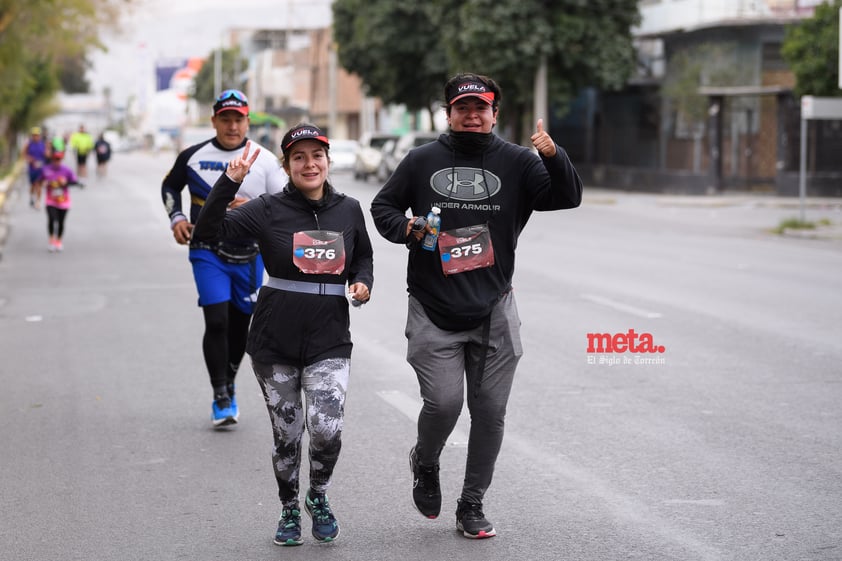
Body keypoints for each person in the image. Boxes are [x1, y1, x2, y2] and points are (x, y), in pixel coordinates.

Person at [370, 73, 583, 539]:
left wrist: (552, 155)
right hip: (433, 307)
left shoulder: (519, 163)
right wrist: (407, 230)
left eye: (480, 108)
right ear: (448, 113)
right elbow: (382, 208)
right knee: (444, 404)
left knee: (489, 412)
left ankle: (472, 503)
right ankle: (425, 461)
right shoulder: (421, 160)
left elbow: (568, 197)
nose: (472, 115)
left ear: (494, 114)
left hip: (494, 309)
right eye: (462, 108)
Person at [192, 124, 374, 545]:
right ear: (287, 165)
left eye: (317, 156)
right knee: (287, 436)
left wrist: (363, 283)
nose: (309, 164)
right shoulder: (267, 208)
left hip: (330, 339)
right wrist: (230, 180)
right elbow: (207, 231)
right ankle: (290, 507)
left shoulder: (348, 209)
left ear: (327, 161)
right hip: (275, 342)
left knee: (327, 429)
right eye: (299, 157)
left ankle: (319, 495)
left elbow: (362, 255)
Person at [160, 89, 286, 428]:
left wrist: (258, 209)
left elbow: (287, 204)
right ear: (214, 120)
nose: (232, 126)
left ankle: (229, 379)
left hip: (250, 256)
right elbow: (170, 187)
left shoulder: (266, 160)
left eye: (238, 119)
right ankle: (221, 395)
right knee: (216, 320)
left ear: (247, 121)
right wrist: (177, 218)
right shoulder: (193, 156)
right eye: (225, 119)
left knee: (240, 327)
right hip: (206, 249)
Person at [36, 148, 83, 252]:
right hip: (51, 200)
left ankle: (58, 241)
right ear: (52, 159)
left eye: (59, 159)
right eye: (55, 159)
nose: (57, 161)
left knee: (61, 222)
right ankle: (51, 240)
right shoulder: (46, 169)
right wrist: (43, 184)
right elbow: (39, 181)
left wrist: (65, 183)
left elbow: (75, 182)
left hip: (63, 201)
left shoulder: (66, 170)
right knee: (52, 220)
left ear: (61, 160)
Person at [22, 127, 48, 209]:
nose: (36, 137)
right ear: (32, 136)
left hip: (40, 168)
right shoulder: (28, 144)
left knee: (39, 185)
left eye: (37, 135)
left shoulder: (43, 144)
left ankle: (38, 202)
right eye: (34, 135)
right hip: (32, 168)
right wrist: (29, 159)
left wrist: (47, 153)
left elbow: (47, 154)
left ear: (40, 136)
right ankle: (32, 197)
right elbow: (23, 154)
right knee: (33, 185)